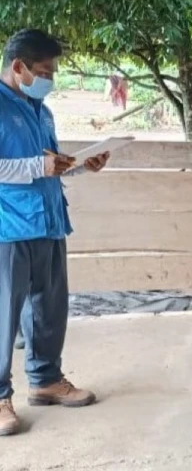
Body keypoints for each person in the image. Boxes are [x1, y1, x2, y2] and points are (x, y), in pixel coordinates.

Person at [0, 29, 110, 437]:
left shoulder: (40, 108)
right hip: (8, 227)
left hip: (47, 221)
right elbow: (26, 166)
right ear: (18, 67)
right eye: (44, 71)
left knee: (49, 308)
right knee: (3, 316)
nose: (51, 78)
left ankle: (46, 380)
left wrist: (83, 165)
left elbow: (51, 164)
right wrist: (37, 167)